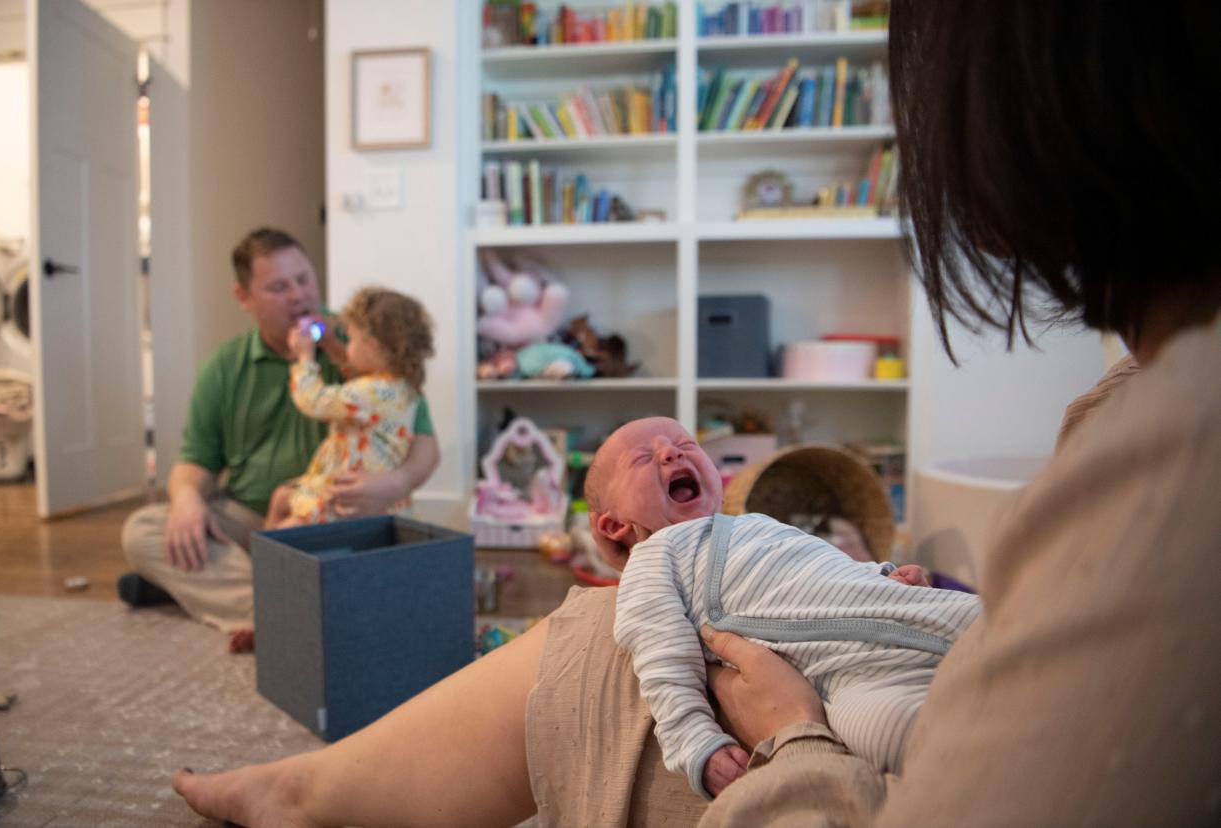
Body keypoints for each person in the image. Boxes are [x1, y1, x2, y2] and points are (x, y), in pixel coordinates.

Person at [173, 2, 1221, 825]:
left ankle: (311, 785)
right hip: (854, 679)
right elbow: (672, 662)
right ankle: (298, 735)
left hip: (887, 636)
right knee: (638, 638)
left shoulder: (1171, 446)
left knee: (591, 638)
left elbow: (428, 448)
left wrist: (821, 688)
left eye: (682, 443)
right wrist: (741, 728)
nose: (676, 442)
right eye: (640, 452)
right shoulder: (659, 571)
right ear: (614, 534)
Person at [588, 417, 978, 798]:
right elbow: (661, 660)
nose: (672, 452)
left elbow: (828, 565)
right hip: (845, 673)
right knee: (889, 730)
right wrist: (695, 742)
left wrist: (885, 575)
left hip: (906, 608)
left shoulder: (758, 523)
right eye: (642, 458)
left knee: (991, 616)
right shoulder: (654, 558)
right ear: (612, 526)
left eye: (686, 445)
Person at [120, 228, 440, 653]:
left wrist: (394, 485)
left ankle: (264, 602)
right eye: (278, 287)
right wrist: (186, 502)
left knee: (372, 555)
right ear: (244, 297)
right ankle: (297, 611)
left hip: (339, 513)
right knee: (143, 531)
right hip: (254, 517)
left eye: (304, 279)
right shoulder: (225, 365)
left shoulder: (362, 343)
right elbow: (195, 463)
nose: (298, 296)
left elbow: (424, 444)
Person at [265, 287, 433, 528]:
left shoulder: (367, 394)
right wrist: (333, 345)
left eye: (352, 339)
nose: (348, 346)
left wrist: (305, 358)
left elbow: (314, 400)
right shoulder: (402, 388)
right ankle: (266, 557)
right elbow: (359, 382)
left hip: (346, 500)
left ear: (373, 347)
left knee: (286, 531)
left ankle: (266, 563)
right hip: (375, 497)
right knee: (281, 498)